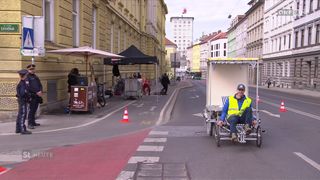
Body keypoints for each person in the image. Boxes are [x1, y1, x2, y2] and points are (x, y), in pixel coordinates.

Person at [26, 64, 43, 129]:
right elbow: (28, 87)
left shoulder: (35, 76)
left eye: (33, 69)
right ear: (28, 70)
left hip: (37, 96)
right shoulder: (27, 77)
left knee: (35, 109)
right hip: (32, 96)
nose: (32, 70)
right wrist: (36, 92)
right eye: (31, 69)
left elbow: (40, 84)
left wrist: (41, 91)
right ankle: (30, 123)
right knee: (31, 110)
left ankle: (33, 122)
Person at [15, 69, 32, 135]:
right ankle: (22, 129)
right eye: (27, 74)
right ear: (25, 75)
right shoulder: (22, 83)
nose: (27, 75)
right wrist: (28, 96)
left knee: (20, 114)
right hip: (23, 101)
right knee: (23, 114)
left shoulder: (22, 82)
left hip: (21, 100)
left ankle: (18, 129)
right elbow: (22, 93)